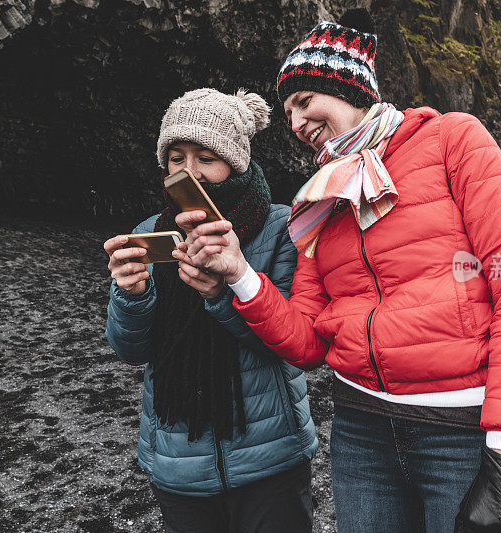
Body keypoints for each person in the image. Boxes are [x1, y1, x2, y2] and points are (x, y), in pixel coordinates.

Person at [173, 9, 501, 533]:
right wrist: (241, 274)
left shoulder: (453, 141)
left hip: (463, 431)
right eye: (287, 110)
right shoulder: (318, 198)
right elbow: (309, 341)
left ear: (351, 89)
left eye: (304, 102)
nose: (294, 123)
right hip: (362, 435)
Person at [104, 88, 318, 532]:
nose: (190, 172)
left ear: (235, 161)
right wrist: (132, 295)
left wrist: (222, 295)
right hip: (178, 458)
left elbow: (292, 342)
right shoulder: (149, 233)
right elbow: (132, 350)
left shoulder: (283, 228)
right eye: (177, 158)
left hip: (269, 456)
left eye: (206, 157)